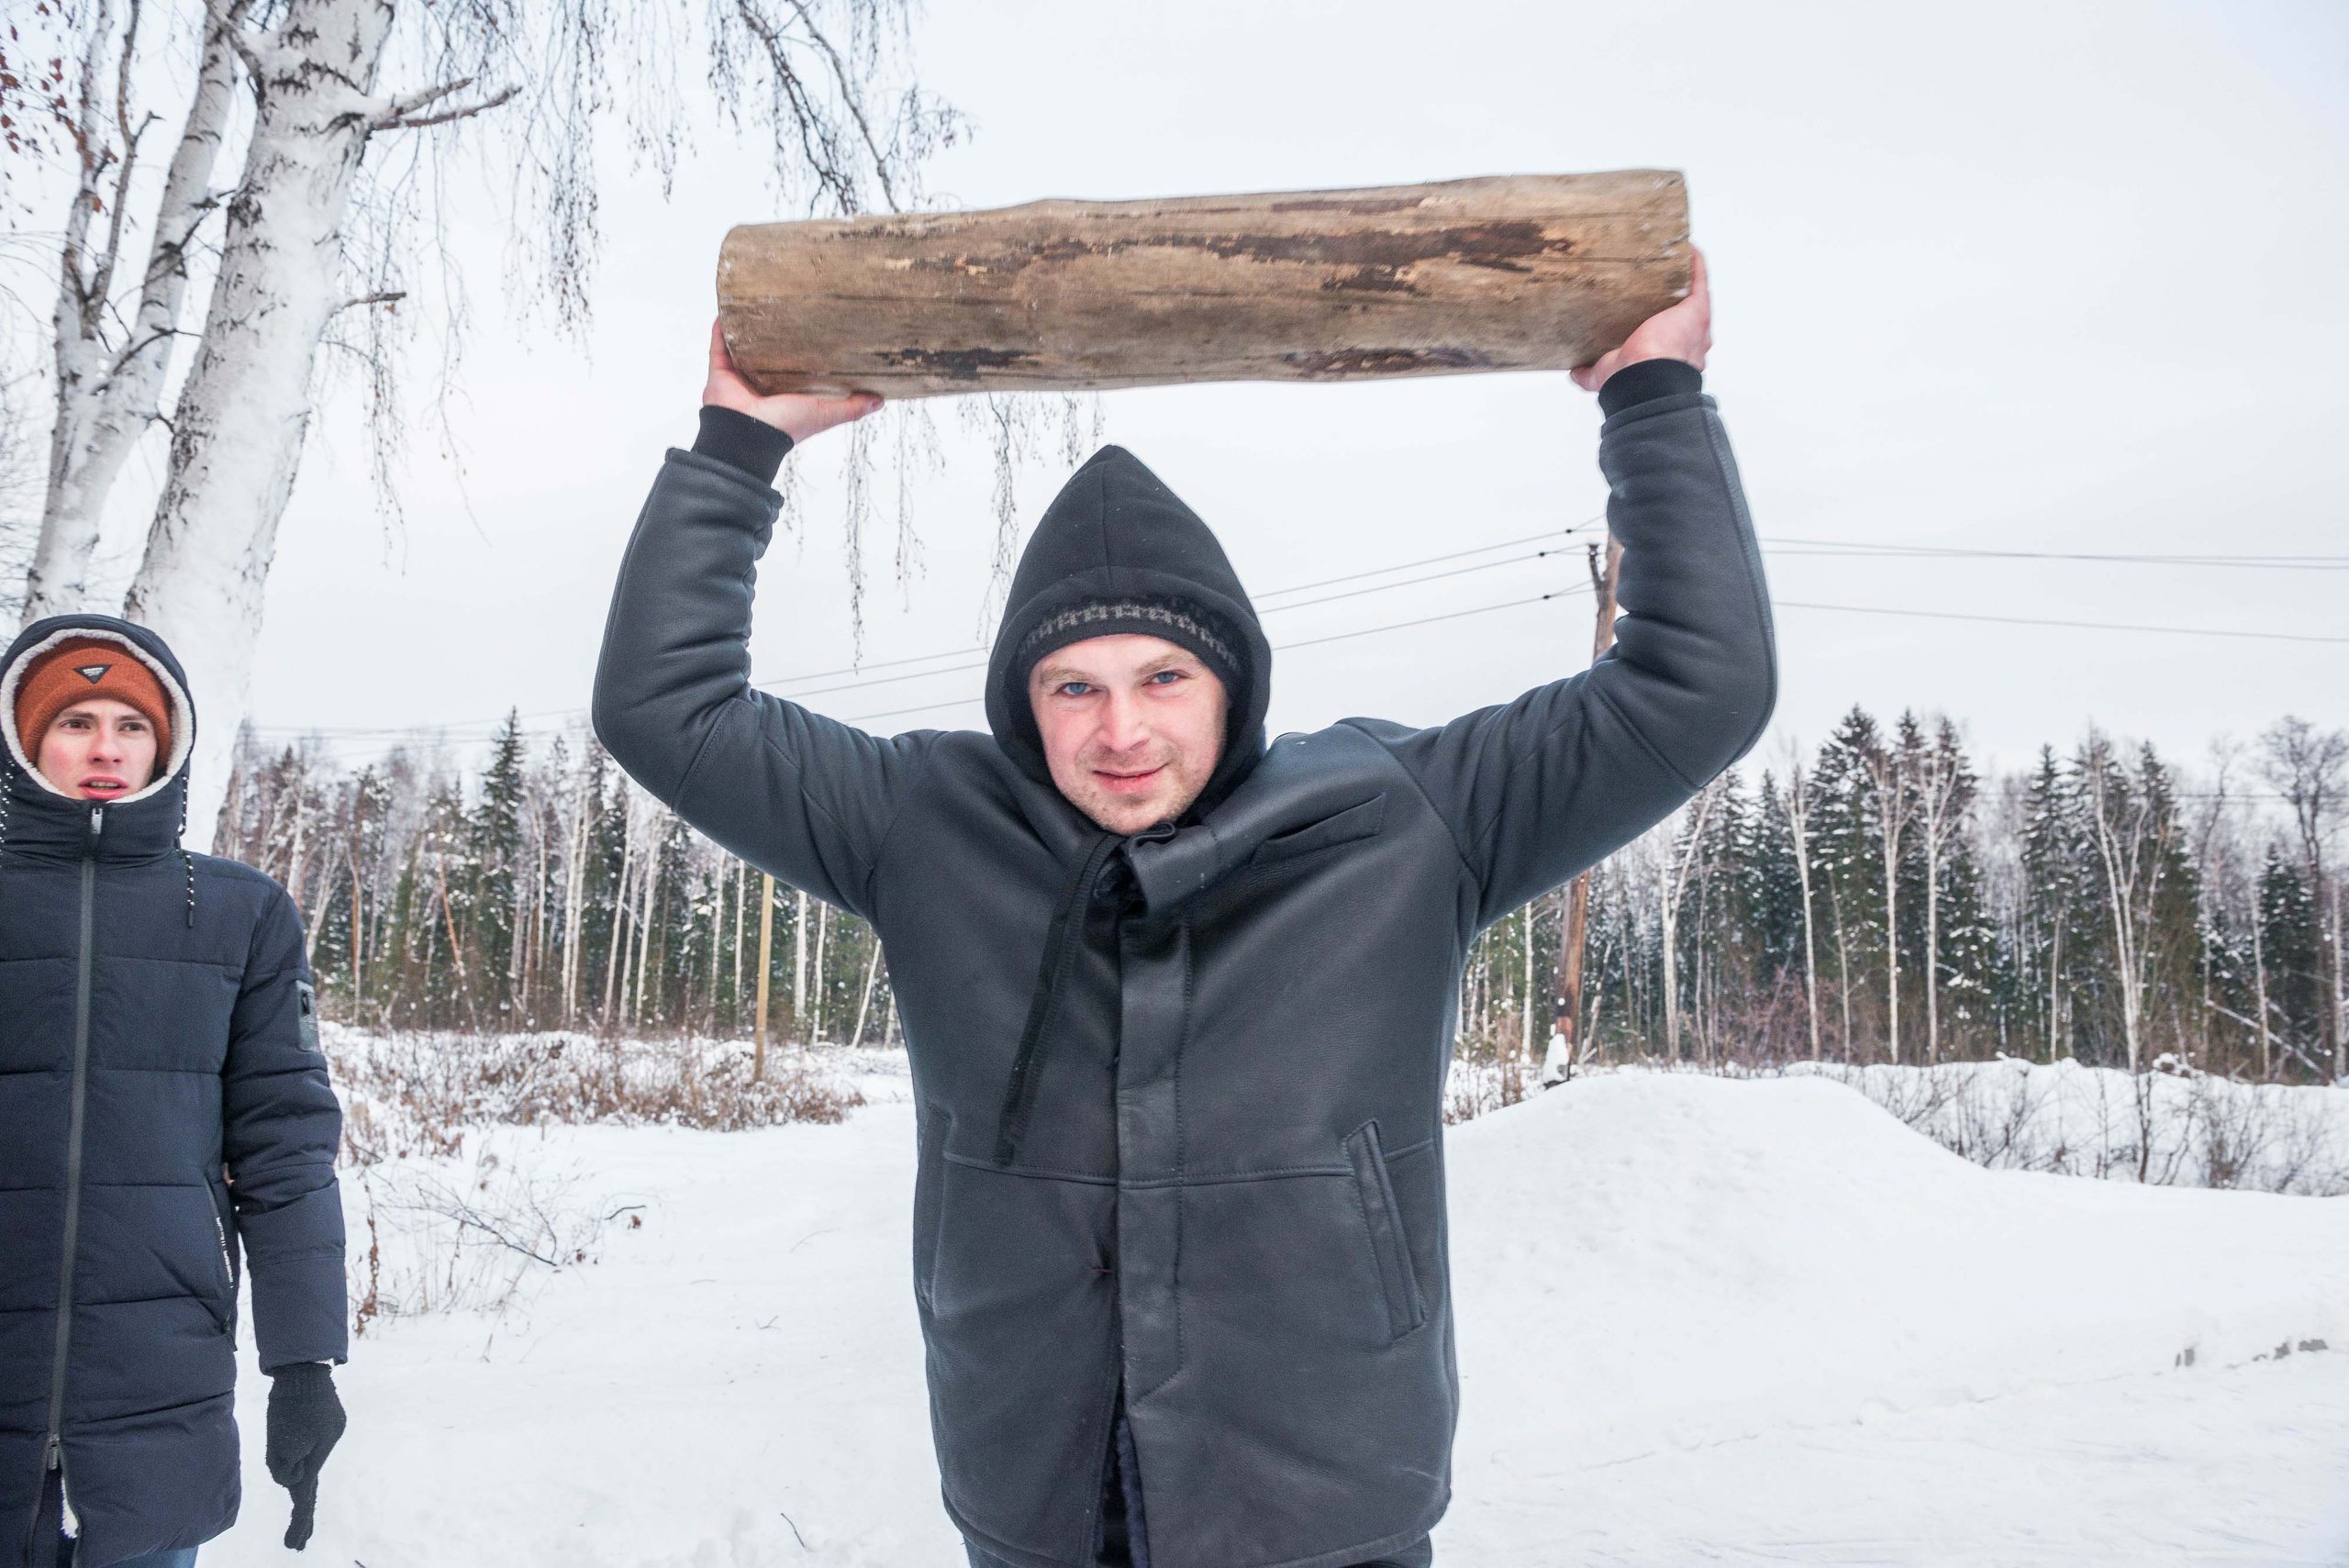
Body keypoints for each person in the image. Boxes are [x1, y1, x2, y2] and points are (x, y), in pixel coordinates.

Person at [595, 256, 1770, 1568]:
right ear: (1020, 701)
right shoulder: (928, 825)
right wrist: (739, 446)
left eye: (1162, 674)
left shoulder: (1403, 819)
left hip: (1321, 1496)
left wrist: (1654, 400)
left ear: (1230, 679)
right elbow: (667, 710)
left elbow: (1693, 689)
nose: (1123, 731)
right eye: (1072, 686)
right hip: (1037, 1488)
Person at [0, 617, 350, 1568]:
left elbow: (284, 1151)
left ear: (168, 744)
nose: (106, 747)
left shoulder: (241, 914)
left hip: (157, 1391)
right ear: (26, 736)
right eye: (75, 719)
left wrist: (303, 1361)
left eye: (132, 724)